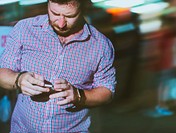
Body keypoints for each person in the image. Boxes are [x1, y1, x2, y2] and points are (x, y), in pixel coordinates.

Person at [0, 0, 116, 132]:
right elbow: (2, 73)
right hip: (23, 129)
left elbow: (107, 91)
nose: (61, 23)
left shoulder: (101, 45)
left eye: (70, 16)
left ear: (83, 8)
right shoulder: (24, 29)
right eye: (55, 13)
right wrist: (19, 79)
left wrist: (79, 96)